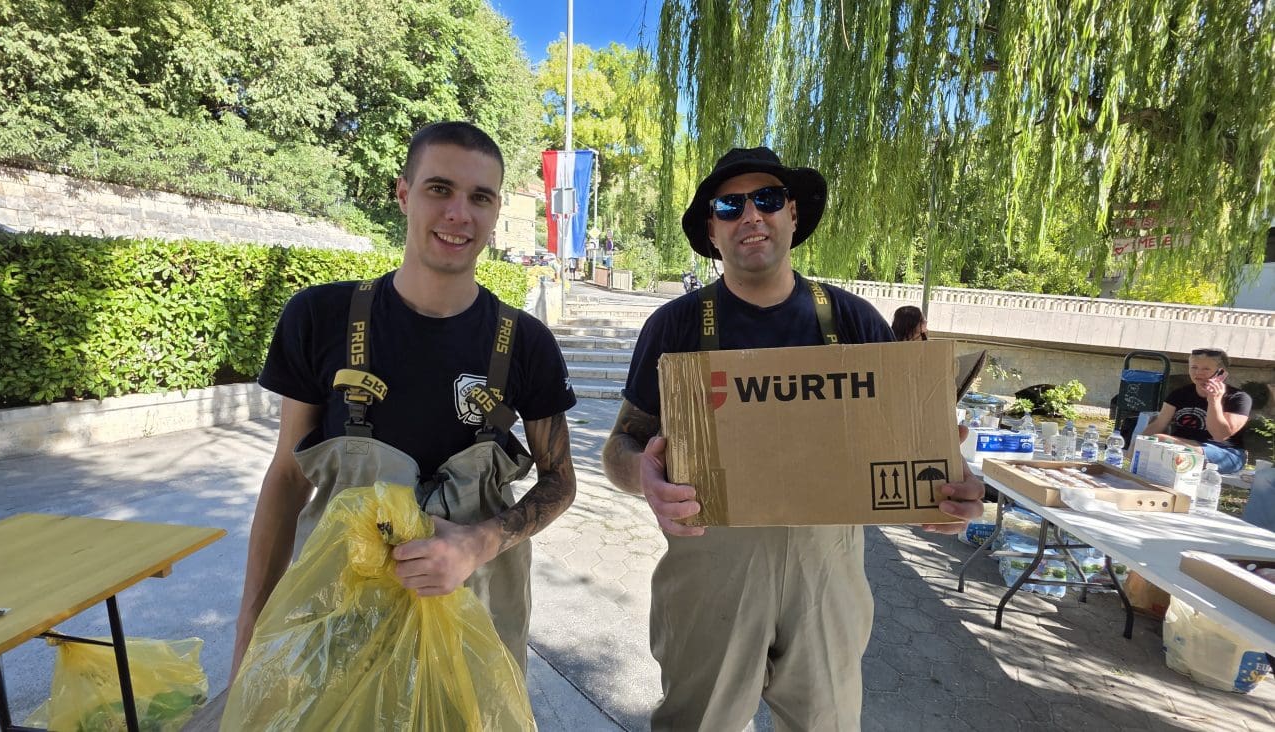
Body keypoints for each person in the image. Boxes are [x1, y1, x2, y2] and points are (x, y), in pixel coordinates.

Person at [599, 146, 985, 730]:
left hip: (826, 571)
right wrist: (644, 478)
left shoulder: (853, 322)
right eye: (729, 205)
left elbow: (915, 455)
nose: (751, 215)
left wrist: (949, 493)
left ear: (793, 214)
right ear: (711, 229)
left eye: (768, 198)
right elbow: (620, 448)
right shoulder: (675, 326)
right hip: (711, 569)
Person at [231, 121, 578, 681]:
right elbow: (288, 478)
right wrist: (250, 627)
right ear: (403, 193)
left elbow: (559, 481)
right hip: (338, 625)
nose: (459, 214)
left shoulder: (526, 343)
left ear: (495, 211)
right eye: (440, 189)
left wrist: (478, 543)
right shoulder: (319, 318)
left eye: (480, 197)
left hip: (472, 627)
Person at [1143, 348, 1250, 473]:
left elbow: (1220, 435)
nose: (1198, 373)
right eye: (1194, 367)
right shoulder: (1179, 394)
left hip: (1224, 452)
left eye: (1206, 369)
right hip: (1180, 448)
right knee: (1152, 441)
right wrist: (1138, 443)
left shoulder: (1238, 398)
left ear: (1221, 372)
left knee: (1161, 440)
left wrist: (1214, 400)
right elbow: (1159, 424)